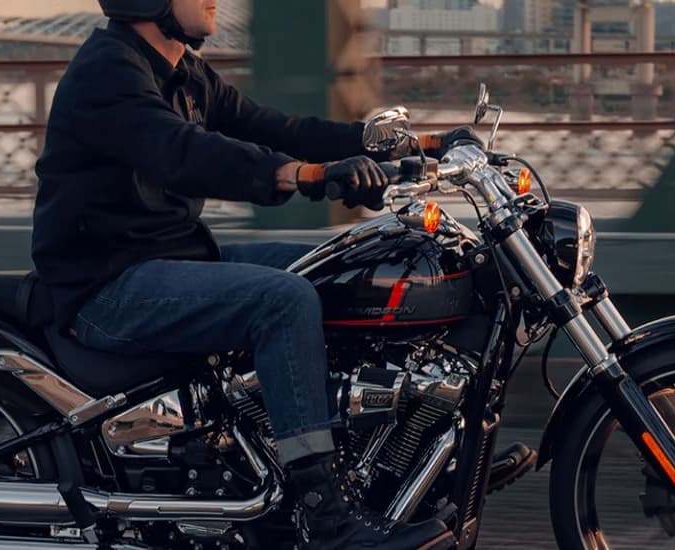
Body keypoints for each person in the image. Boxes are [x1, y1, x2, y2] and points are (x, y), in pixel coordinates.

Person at [31, 0, 477, 547]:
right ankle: (325, 517)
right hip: (108, 284)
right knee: (282, 301)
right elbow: (185, 153)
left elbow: (274, 127)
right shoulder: (108, 71)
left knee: (346, 264)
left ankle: (403, 458)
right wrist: (304, 176)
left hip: (177, 256)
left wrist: (422, 145)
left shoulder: (183, 71)